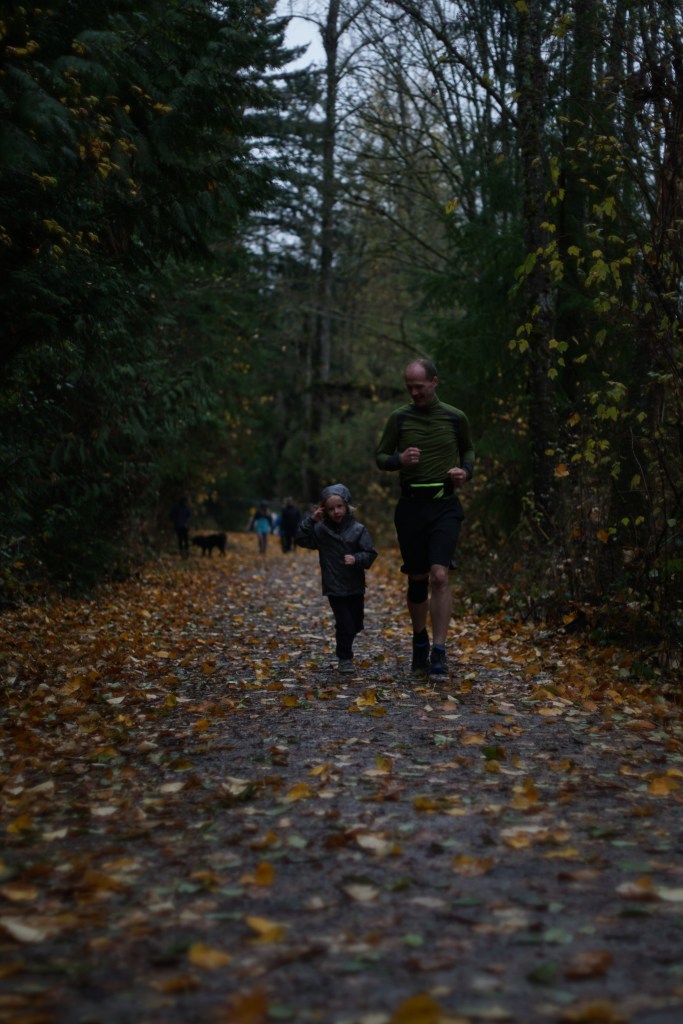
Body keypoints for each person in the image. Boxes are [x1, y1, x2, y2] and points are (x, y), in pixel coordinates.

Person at [375, 359, 475, 676]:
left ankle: (439, 651)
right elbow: (380, 457)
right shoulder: (399, 418)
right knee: (417, 579)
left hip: (445, 506)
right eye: (410, 387)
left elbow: (468, 450)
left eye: (419, 386)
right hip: (411, 508)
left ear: (434, 382)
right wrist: (399, 460)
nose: (414, 392)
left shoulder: (455, 417)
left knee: (440, 575)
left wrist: (465, 472)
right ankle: (420, 640)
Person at [296, 483, 377, 675]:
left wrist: (356, 559)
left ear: (347, 506)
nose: (336, 512)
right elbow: (301, 539)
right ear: (324, 510)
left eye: (339, 506)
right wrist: (311, 521)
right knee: (344, 624)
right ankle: (345, 658)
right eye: (331, 509)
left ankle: (346, 638)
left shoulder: (358, 529)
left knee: (356, 623)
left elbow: (370, 553)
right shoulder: (321, 530)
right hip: (334, 586)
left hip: (355, 584)